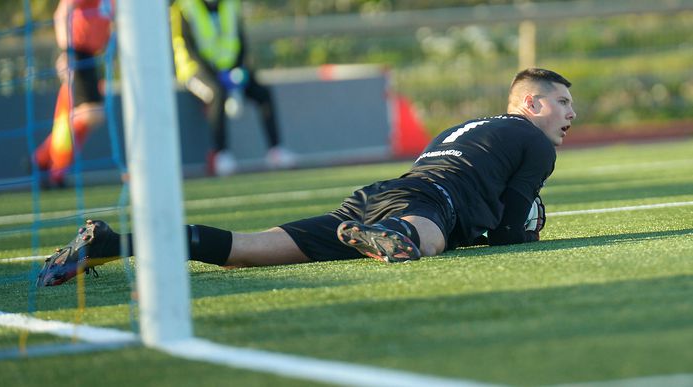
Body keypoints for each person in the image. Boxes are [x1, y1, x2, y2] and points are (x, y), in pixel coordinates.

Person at [36, 68, 576, 287]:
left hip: (375, 197)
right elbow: (506, 231)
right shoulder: (533, 140)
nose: (570, 114)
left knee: (249, 248)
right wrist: (530, 225)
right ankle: (397, 239)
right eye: (562, 102)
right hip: (427, 200)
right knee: (424, 239)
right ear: (531, 103)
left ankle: (112, 242)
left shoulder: (464, 126)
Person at [169, 0, 295, 176]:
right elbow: (189, 48)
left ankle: (275, 150)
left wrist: (236, 71)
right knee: (217, 93)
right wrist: (217, 77)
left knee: (262, 93)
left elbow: (240, 40)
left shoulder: (230, 4)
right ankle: (221, 154)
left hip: (228, 70)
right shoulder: (184, 7)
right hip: (195, 72)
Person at [32, 0, 113, 188]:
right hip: (75, 54)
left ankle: (48, 164)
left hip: (91, 57)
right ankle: (46, 161)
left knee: (77, 115)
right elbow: (62, 14)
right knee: (92, 114)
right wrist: (67, 52)